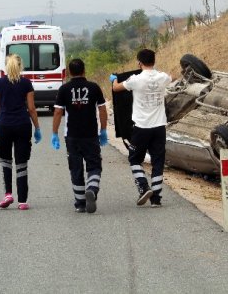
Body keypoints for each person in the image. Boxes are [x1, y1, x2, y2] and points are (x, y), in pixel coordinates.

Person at [110, 48, 171, 207]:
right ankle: (156, 199)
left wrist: (114, 79)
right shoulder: (163, 77)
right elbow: (169, 78)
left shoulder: (135, 80)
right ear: (154, 61)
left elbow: (116, 88)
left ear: (139, 62)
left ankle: (144, 187)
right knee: (158, 161)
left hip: (142, 127)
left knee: (134, 158)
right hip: (159, 127)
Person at [51, 58, 108, 214]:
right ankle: (92, 188)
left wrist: (54, 133)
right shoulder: (94, 87)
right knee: (94, 165)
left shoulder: (64, 89)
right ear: (84, 70)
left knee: (75, 168)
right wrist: (103, 130)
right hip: (91, 135)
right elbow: (102, 110)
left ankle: (80, 203)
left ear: (69, 72)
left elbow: (57, 112)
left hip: (72, 136)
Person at [0, 53, 42, 210]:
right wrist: (37, 127)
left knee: (6, 161)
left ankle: (8, 194)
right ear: (20, 66)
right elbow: (31, 109)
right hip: (22, 125)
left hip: (4, 126)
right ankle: (23, 201)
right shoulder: (26, 83)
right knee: (21, 163)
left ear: (6, 66)